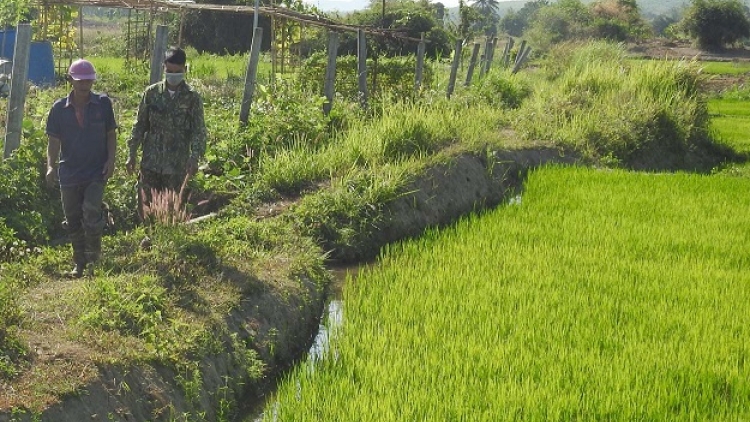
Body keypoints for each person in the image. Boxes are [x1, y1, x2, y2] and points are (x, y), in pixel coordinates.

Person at [46, 59, 117, 277]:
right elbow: (54, 141)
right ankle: (79, 262)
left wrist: (111, 160)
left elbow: (111, 135)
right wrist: (50, 166)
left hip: (96, 170)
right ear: (70, 80)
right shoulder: (59, 109)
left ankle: (94, 257)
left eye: (88, 81)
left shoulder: (103, 104)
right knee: (73, 218)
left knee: (91, 210)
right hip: (69, 172)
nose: (84, 85)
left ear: (93, 81)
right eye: (80, 81)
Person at [125, 47, 207, 219]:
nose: (173, 75)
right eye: (169, 71)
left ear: (185, 69)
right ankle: (147, 240)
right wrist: (131, 153)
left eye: (177, 72)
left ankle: (167, 243)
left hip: (176, 166)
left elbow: (198, 130)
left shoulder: (192, 98)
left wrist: (195, 157)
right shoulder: (152, 94)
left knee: (170, 212)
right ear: (164, 68)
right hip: (151, 163)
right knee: (145, 208)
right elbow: (139, 125)